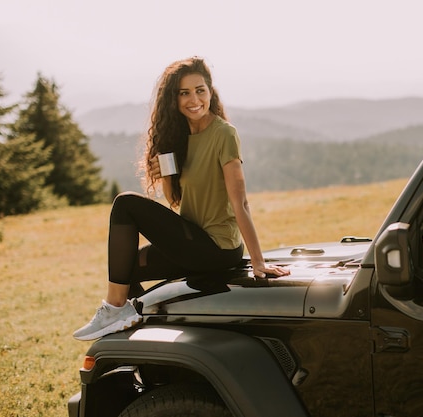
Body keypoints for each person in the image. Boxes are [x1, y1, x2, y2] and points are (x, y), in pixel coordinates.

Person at [73, 56, 290, 341]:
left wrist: (258, 262)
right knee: (127, 268)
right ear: (173, 99)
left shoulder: (224, 134)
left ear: (210, 91)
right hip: (192, 239)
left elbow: (241, 202)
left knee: (125, 204)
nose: (194, 99)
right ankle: (139, 332)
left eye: (200, 90)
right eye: (184, 93)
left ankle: (114, 307)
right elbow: (176, 201)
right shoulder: (179, 138)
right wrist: (163, 175)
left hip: (217, 246)